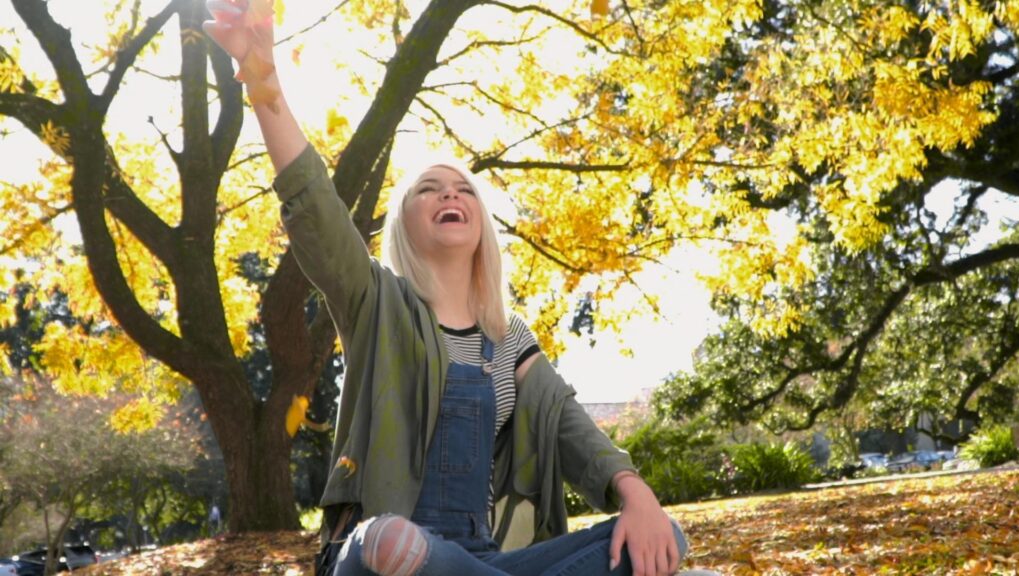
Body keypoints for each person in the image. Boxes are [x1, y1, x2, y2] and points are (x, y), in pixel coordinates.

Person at [203, 2, 707, 575]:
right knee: (392, 543)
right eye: (428, 189)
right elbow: (314, 204)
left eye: (463, 189)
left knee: (658, 536)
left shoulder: (510, 340)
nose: (449, 195)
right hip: (378, 559)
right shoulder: (377, 304)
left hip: (476, 561)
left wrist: (636, 495)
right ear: (403, 224)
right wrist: (264, 82)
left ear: (481, 225)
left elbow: (576, 433)